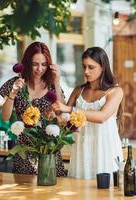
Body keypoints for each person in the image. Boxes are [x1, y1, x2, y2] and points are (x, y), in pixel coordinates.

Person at [52, 47, 124, 179]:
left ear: (103, 67)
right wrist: (56, 81)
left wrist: (69, 109)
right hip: (81, 149)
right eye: (84, 66)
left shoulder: (115, 91)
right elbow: (64, 120)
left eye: (91, 67)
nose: (86, 71)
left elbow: (102, 117)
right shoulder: (78, 90)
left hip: (105, 148)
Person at [0, 41, 66, 176]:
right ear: (27, 63)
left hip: (48, 150)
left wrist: (57, 81)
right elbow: (4, 117)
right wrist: (13, 93)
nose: (39, 69)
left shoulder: (52, 86)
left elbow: (62, 115)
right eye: (35, 64)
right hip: (24, 150)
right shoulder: (15, 83)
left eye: (44, 64)